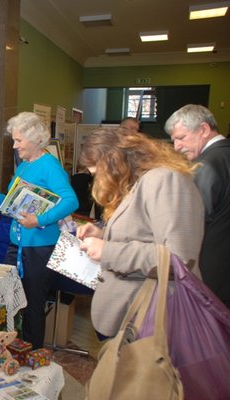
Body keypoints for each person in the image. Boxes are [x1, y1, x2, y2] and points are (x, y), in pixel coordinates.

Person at [76, 127, 205, 337]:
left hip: (150, 319)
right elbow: (142, 230)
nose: (98, 181)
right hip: (130, 314)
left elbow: (179, 259)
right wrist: (103, 233)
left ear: (114, 162)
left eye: (98, 173)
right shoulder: (138, 181)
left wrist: (108, 251)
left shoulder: (165, 180)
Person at [0, 111, 79, 348]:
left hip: (38, 248)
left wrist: (40, 219)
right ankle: (16, 346)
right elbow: (13, 206)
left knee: (33, 305)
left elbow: (71, 201)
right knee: (14, 301)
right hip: (17, 245)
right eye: (14, 139)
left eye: (19, 140)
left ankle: (33, 355)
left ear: (36, 140)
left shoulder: (49, 166)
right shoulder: (24, 165)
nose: (14, 145)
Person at [165, 104, 230, 307]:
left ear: (203, 129)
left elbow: (191, 224)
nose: (176, 147)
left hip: (211, 276)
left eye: (181, 138)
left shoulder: (206, 165)